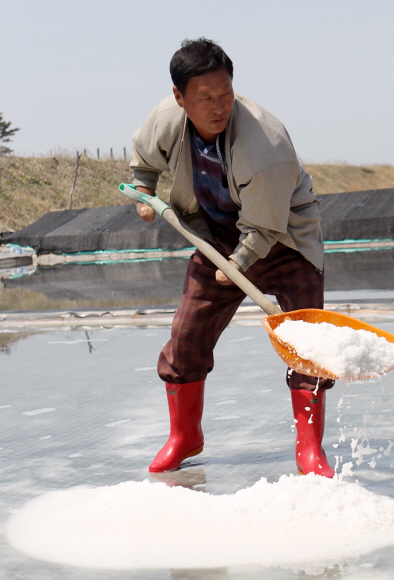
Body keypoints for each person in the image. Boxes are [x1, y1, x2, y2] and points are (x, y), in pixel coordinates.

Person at [130, 38, 335, 478]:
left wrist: (240, 263)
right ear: (179, 98)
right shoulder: (167, 120)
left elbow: (265, 226)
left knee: (307, 344)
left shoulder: (267, 145)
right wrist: (144, 190)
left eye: (226, 94)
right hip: (216, 237)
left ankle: (310, 449)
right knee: (186, 337)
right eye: (204, 98)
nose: (219, 106)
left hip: (285, 238)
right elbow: (144, 162)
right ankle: (185, 436)